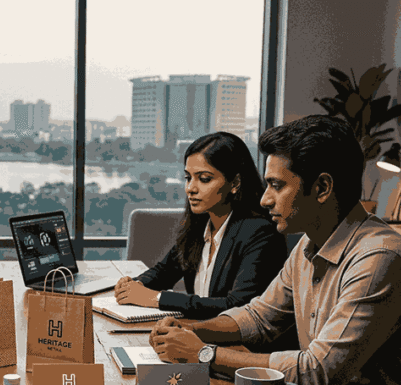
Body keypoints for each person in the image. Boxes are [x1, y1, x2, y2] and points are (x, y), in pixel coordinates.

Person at [150, 115, 401, 385]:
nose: (265, 199)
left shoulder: (378, 259)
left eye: (276, 185)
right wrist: (196, 330)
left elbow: (317, 372)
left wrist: (205, 353)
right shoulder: (307, 245)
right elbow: (259, 316)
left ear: (321, 188)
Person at [114, 132, 287, 320]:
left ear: (235, 182)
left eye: (204, 179)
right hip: (196, 335)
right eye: (188, 178)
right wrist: (135, 285)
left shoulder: (260, 232)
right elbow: (164, 271)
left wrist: (157, 298)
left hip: (235, 345)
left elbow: (237, 306)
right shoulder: (201, 224)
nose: (191, 188)